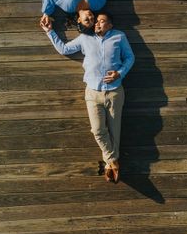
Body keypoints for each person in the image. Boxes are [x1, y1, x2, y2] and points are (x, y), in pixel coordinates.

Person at [40, 10, 135, 183]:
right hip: (92, 92)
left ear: (110, 25)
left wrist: (119, 73)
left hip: (114, 91)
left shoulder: (119, 36)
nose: (97, 23)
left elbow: (130, 57)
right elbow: (64, 49)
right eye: (96, 21)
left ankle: (109, 165)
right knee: (98, 130)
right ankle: (113, 160)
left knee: (115, 132)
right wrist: (49, 31)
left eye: (102, 21)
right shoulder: (85, 39)